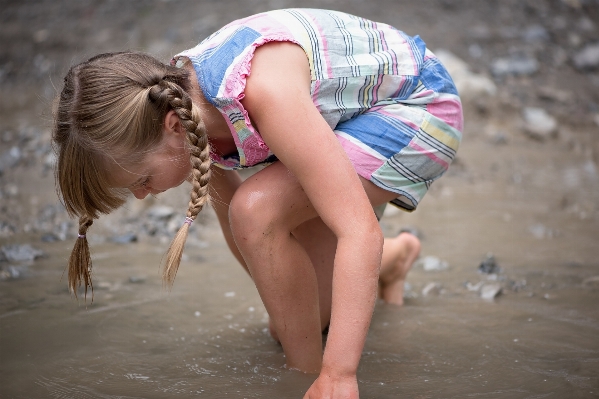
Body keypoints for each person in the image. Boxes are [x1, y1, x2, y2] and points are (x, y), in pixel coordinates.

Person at [53, 8, 462, 398]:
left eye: (141, 180)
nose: (142, 195)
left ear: (172, 126)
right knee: (296, 322)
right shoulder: (181, 111)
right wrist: (283, 307)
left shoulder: (261, 91)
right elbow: (250, 240)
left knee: (259, 208)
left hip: (417, 106)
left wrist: (337, 375)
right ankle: (394, 261)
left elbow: (356, 231)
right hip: (344, 120)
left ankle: (303, 381)